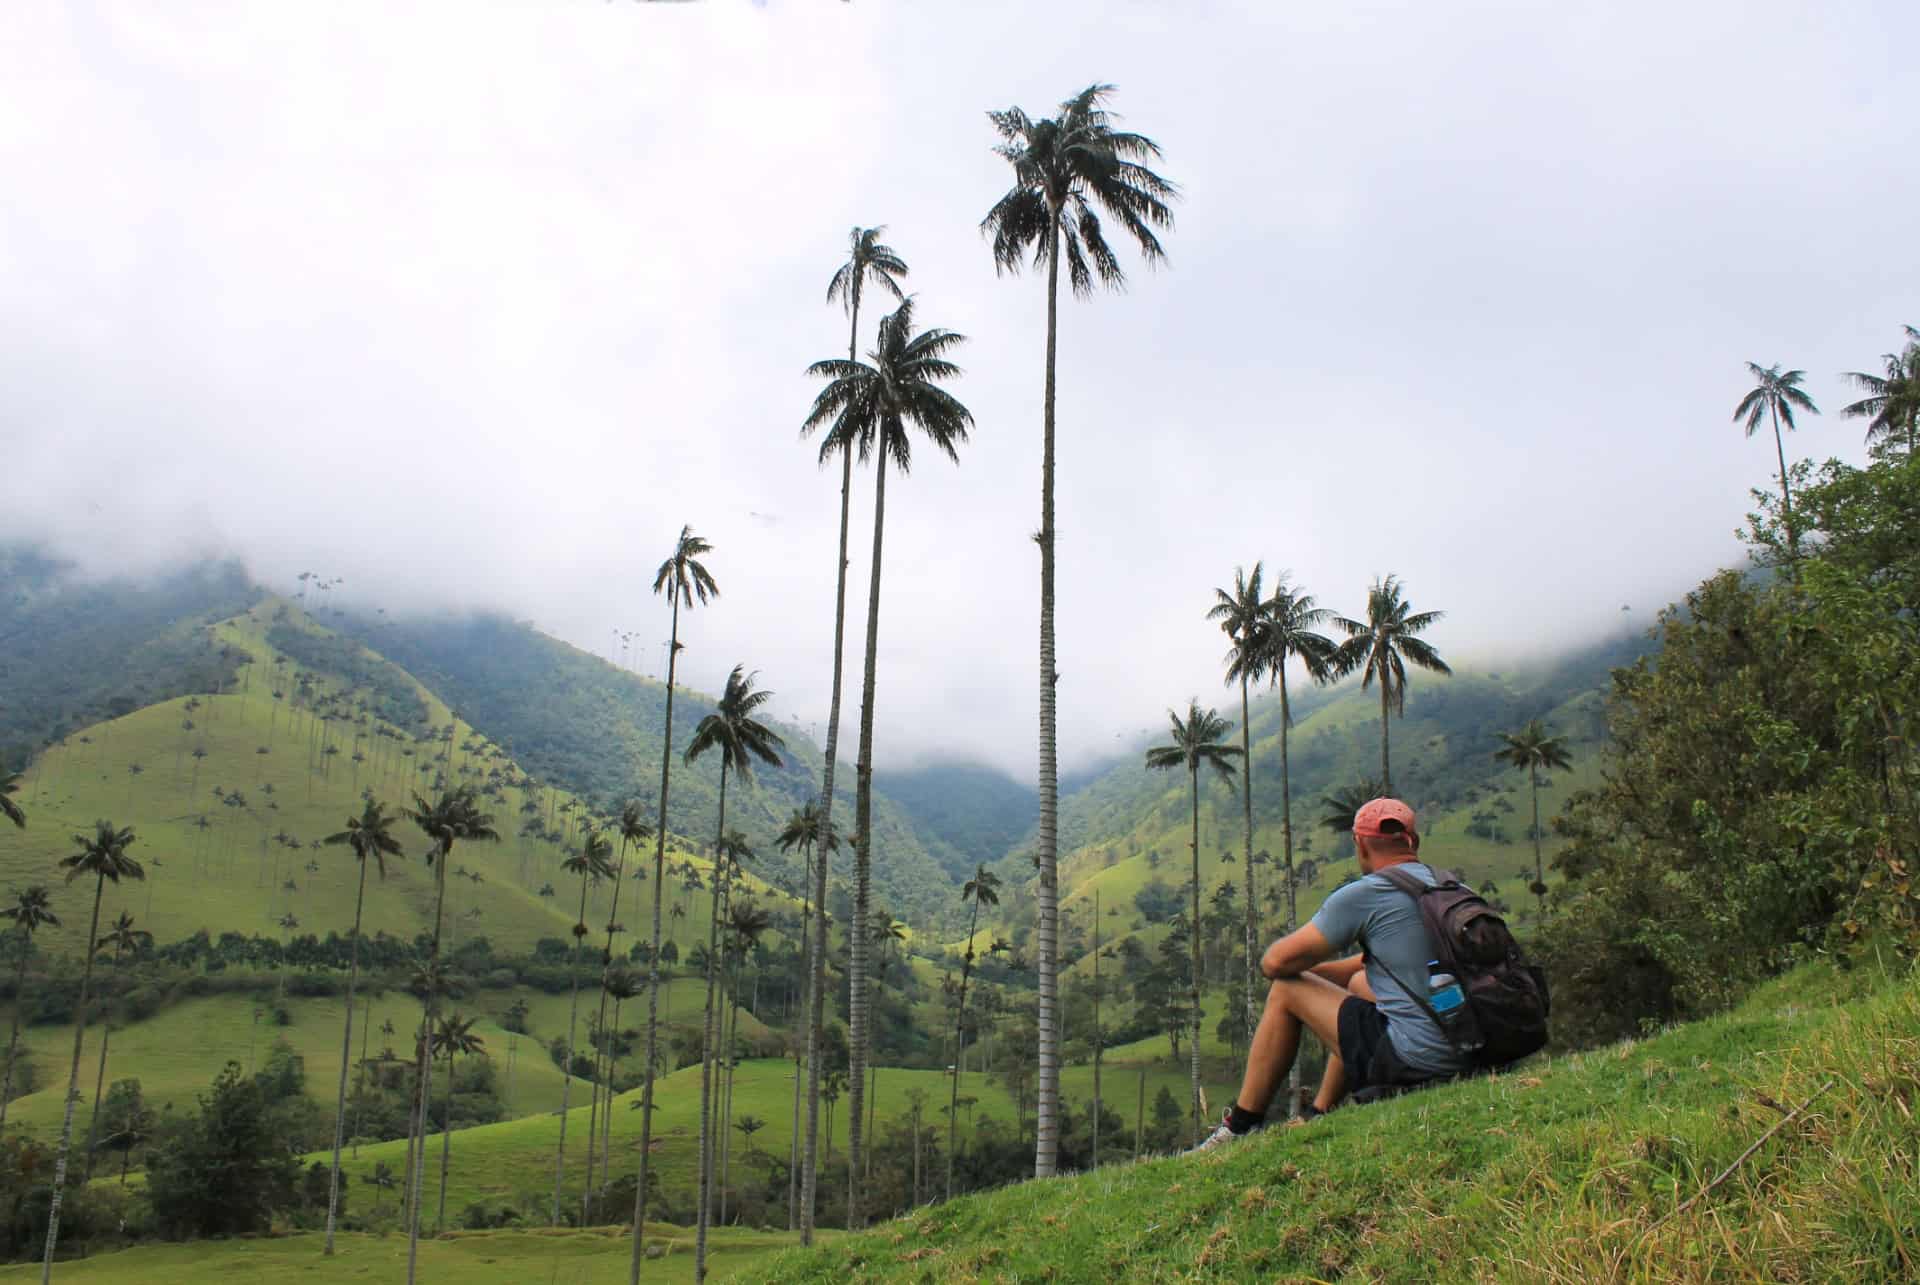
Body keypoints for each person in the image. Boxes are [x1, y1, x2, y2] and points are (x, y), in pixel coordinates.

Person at [1189, 797, 1469, 1152]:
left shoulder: (1368, 893)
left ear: (1360, 844)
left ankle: (1239, 1128)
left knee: (1287, 989)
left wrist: (1306, 979)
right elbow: (1376, 964)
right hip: (1473, 1050)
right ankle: (1321, 1111)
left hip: (1421, 1062)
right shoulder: (1450, 888)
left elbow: (1275, 963)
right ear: (1412, 841)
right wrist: (1322, 981)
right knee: (1358, 984)